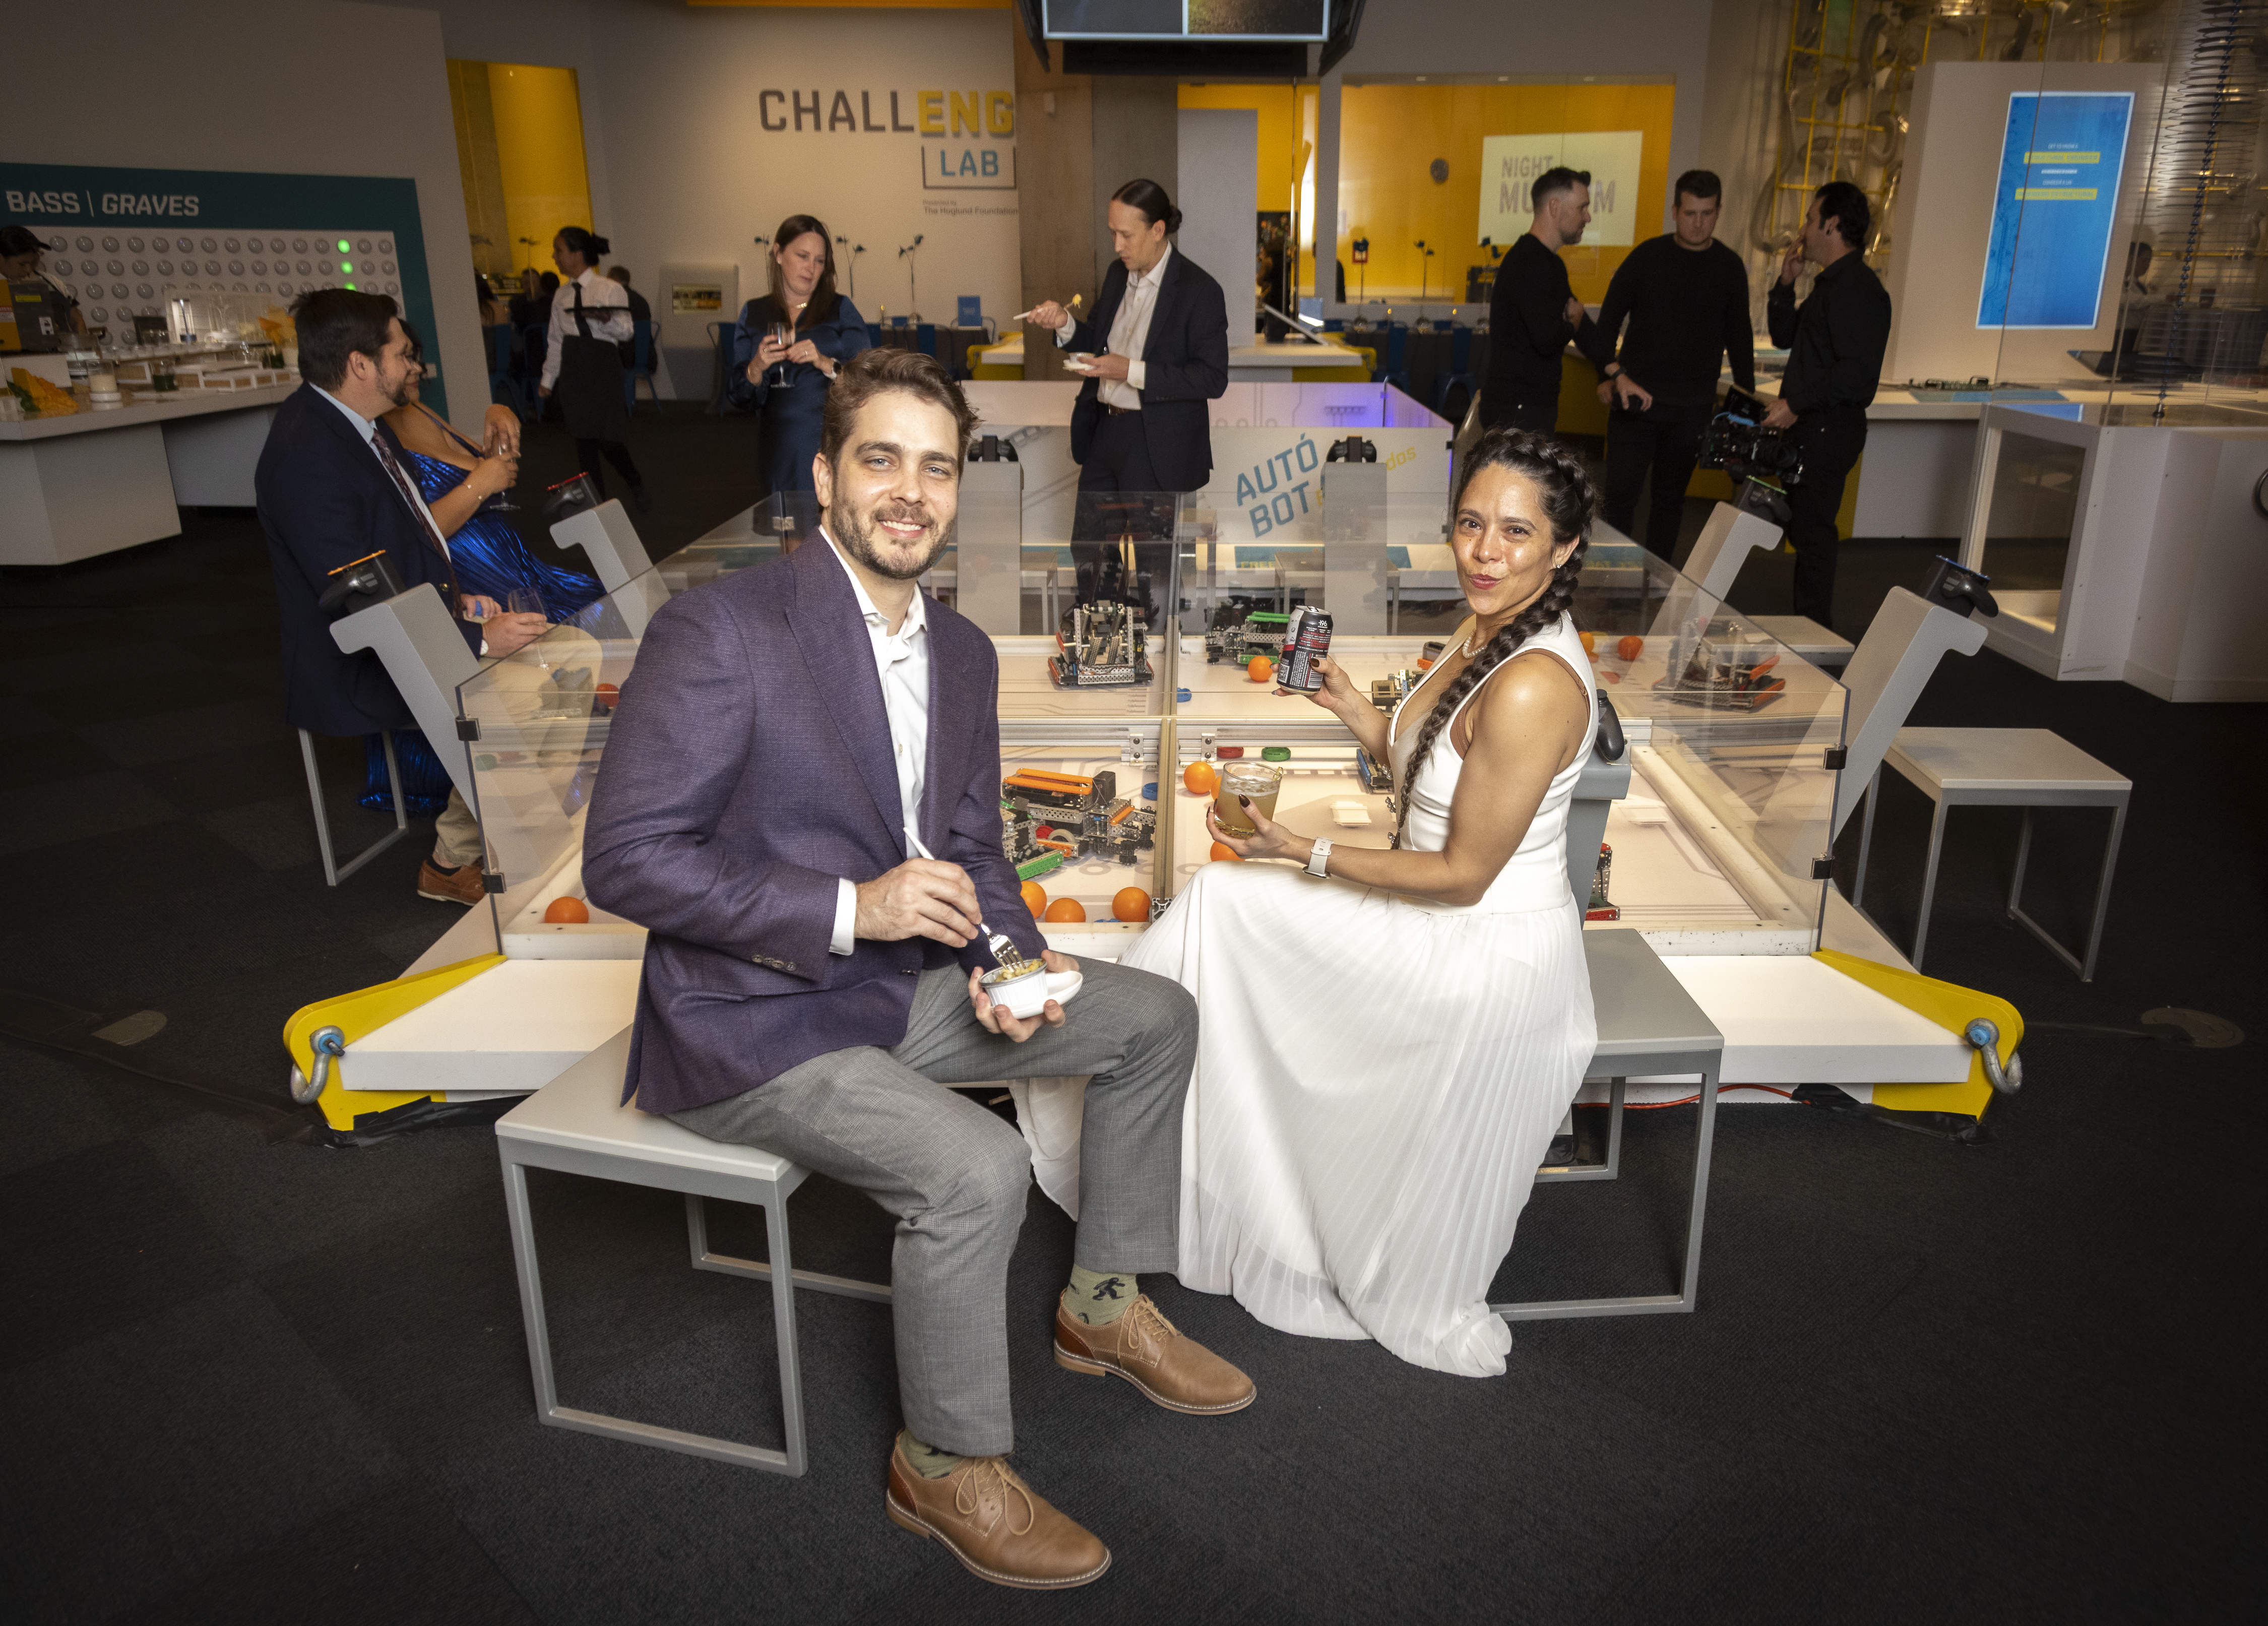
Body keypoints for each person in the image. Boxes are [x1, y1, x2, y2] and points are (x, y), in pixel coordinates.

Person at [582, 347, 1251, 1591]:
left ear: (958, 489)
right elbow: (624, 860)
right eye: (880, 458)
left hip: (895, 987)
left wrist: (1009, 955)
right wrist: (853, 905)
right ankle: (939, 1461)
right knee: (977, 1164)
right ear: (825, 473)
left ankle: (1097, 1301)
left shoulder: (957, 648)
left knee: (1155, 1015)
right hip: (753, 1017)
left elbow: (968, 841)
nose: (909, 490)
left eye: (935, 466)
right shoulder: (722, 628)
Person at [1119, 427, 1600, 1377]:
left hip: (1476, 950)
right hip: (1431, 913)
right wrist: (1351, 707)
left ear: (1565, 548)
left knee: (1226, 906)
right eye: (1470, 525)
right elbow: (1431, 776)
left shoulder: (1536, 683)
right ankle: (1165, 1142)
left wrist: (1305, 851)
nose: (1484, 552)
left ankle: (1134, 1121)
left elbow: (1463, 872)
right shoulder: (1489, 625)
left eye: (1514, 533)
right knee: (1223, 902)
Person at [255, 289, 547, 903]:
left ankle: (510, 833)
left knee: (564, 654)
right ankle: (452, 861)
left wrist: (459, 607)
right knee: (531, 684)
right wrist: (473, 636)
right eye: (401, 352)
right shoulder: (306, 452)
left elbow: (393, 548)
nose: (414, 365)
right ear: (362, 365)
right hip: (360, 658)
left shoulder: (347, 424)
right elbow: (355, 595)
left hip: (409, 625)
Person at [1025, 178, 1229, 611]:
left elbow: (1212, 379)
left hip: (1155, 443)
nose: (1117, 245)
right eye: (1112, 232)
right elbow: (1097, 342)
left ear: (1158, 230)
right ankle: (1102, 642)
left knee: (1155, 565)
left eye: (1126, 235)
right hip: (1105, 432)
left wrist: (1131, 370)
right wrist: (1064, 323)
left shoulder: (1200, 291)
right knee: (1089, 547)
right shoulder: (1119, 275)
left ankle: (1156, 647)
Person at [382, 321, 601, 622]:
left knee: (605, 601)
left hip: (515, 560)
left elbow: (494, 472)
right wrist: (479, 486)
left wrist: (497, 411)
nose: (418, 368)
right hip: (478, 573)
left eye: (414, 356)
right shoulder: (377, 439)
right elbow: (412, 535)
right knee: (585, 623)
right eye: (404, 358)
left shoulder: (415, 408)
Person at [1592, 169, 1758, 558]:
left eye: (1707, 213)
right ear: (1674, 211)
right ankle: (1612, 581)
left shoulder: (1730, 268)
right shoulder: (1647, 258)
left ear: (1718, 212)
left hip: (1692, 407)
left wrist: (1744, 406)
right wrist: (1610, 375)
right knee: (1620, 499)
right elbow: (1608, 323)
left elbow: (1740, 338)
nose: (1698, 223)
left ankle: (1656, 585)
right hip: (1636, 400)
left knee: (1670, 501)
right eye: (1690, 213)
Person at [1762, 179, 1891, 629]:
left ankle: (1814, 632)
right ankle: (1809, 627)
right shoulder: (1831, 286)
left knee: (1815, 534)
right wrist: (1785, 284)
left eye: (1811, 219)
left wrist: (1796, 404)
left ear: (1832, 224)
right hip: (1811, 428)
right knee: (1807, 530)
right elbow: (1785, 337)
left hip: (1828, 431)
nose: (1804, 229)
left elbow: (1855, 376)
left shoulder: (1859, 290)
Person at [724, 215, 870, 499]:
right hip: (778, 444)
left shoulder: (840, 309)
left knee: (831, 535)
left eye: (820, 260)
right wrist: (756, 367)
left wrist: (825, 363)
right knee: (788, 538)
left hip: (831, 441)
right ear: (778, 254)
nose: (811, 268)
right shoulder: (754, 312)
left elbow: (868, 380)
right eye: (803, 256)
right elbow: (740, 398)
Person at [1479, 167, 1615, 435]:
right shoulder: (1533, 264)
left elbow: (1578, 318)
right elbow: (1548, 339)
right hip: (1518, 411)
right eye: (1582, 208)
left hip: (1522, 408)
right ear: (1555, 207)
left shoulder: (1544, 263)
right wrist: (1573, 323)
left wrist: (1614, 370)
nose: (1588, 217)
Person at [538, 226, 650, 512]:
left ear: (577, 254)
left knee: (608, 438)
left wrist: (605, 320)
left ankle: (634, 480)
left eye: (559, 250)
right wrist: (548, 379)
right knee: (584, 442)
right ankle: (597, 505)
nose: (555, 257)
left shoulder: (609, 289)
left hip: (603, 367)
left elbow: (626, 332)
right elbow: (555, 340)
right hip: (575, 369)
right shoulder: (561, 295)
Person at [0, 225, 88, 334]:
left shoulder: (51, 282)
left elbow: (77, 321)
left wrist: (84, 349)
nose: (29, 270)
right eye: (22, 264)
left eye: (33, 263)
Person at [604, 264, 651, 366]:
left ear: (614, 279)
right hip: (646, 355)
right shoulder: (641, 300)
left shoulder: (616, 300)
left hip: (625, 357)